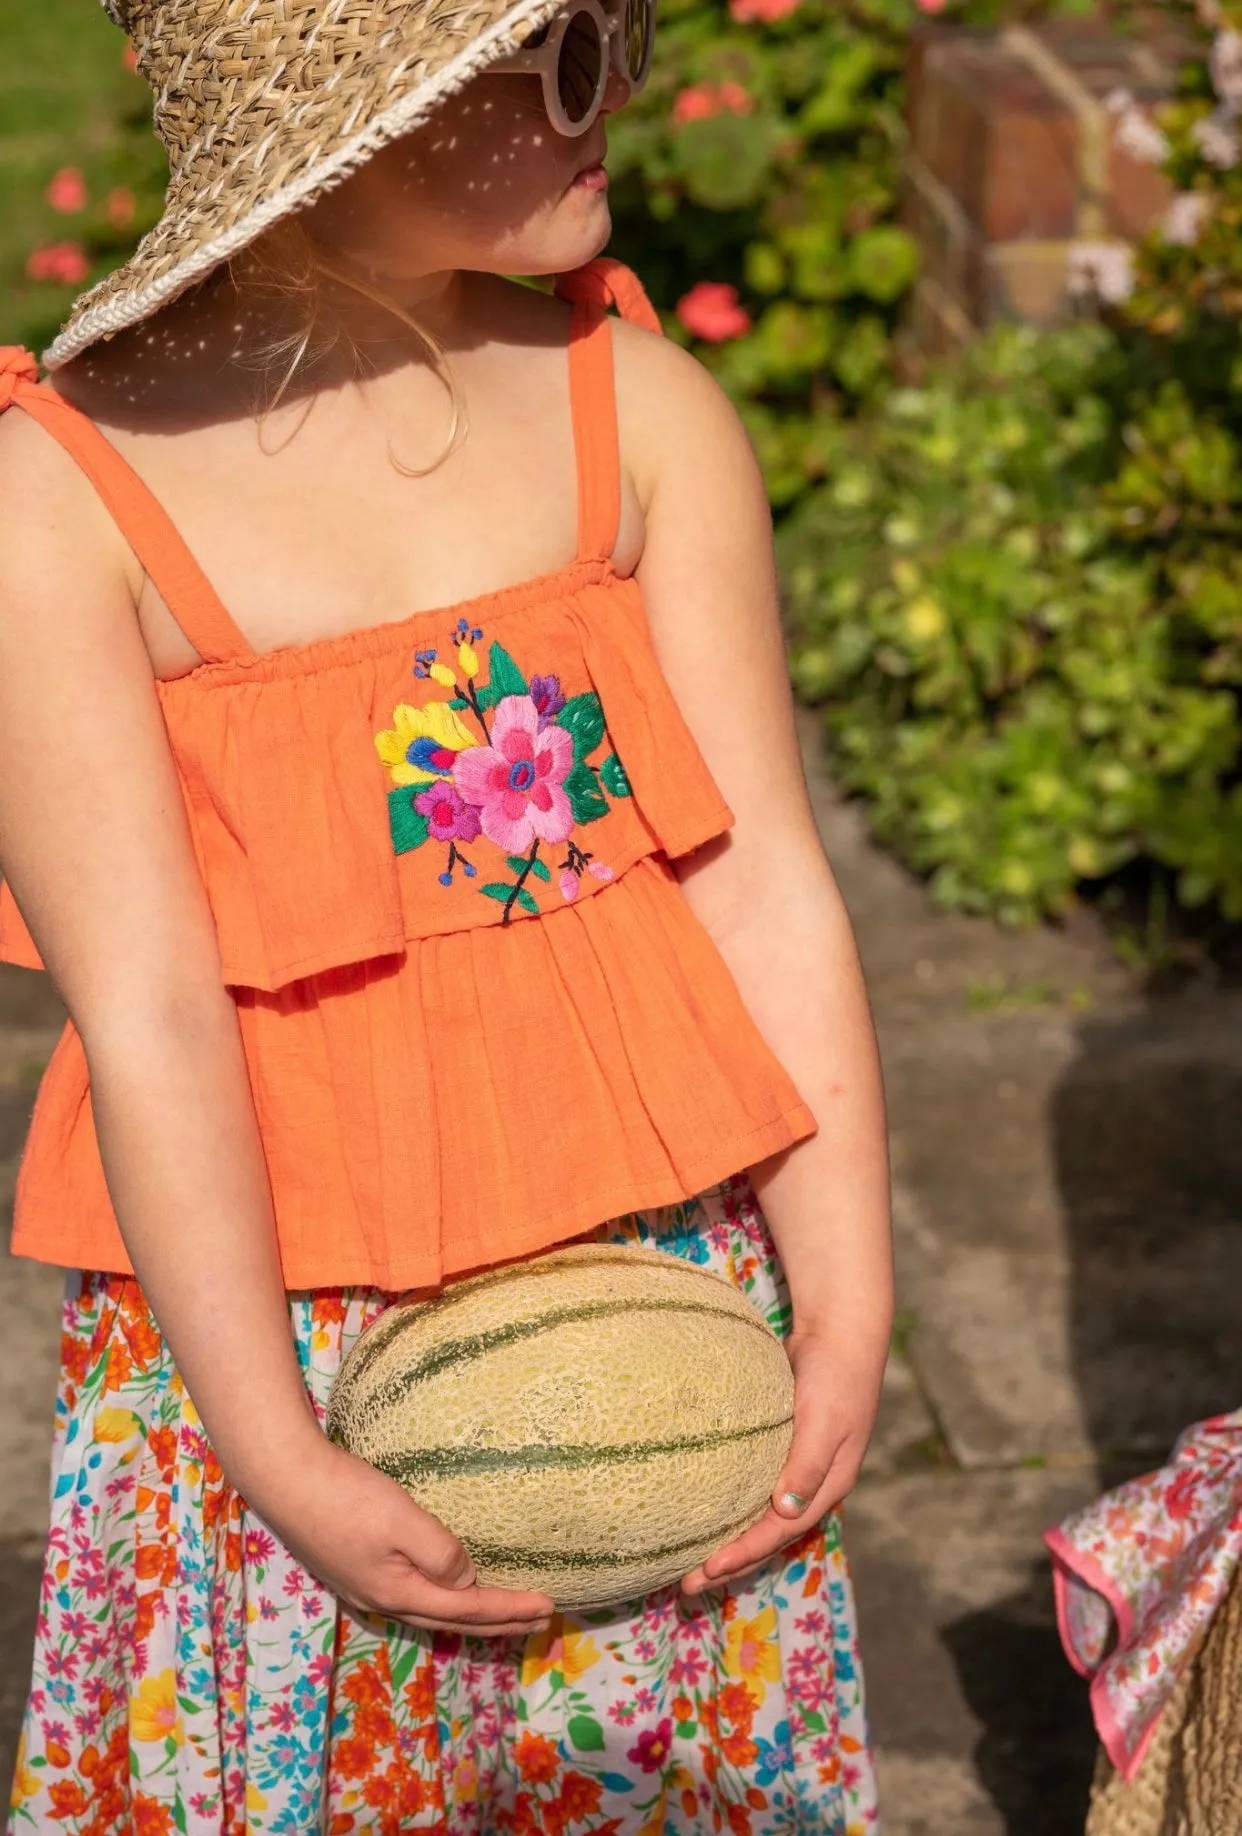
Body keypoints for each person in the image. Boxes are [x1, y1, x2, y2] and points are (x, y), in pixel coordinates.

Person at [0, 0, 891, 1830]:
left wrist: (847, 1302)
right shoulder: (60, 505)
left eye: (612, 33)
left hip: (650, 1326)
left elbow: (763, 887)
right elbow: (151, 1005)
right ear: (359, 116)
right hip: (282, 1357)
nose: (619, 91)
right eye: (556, 54)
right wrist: (272, 1452)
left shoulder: (632, 408)